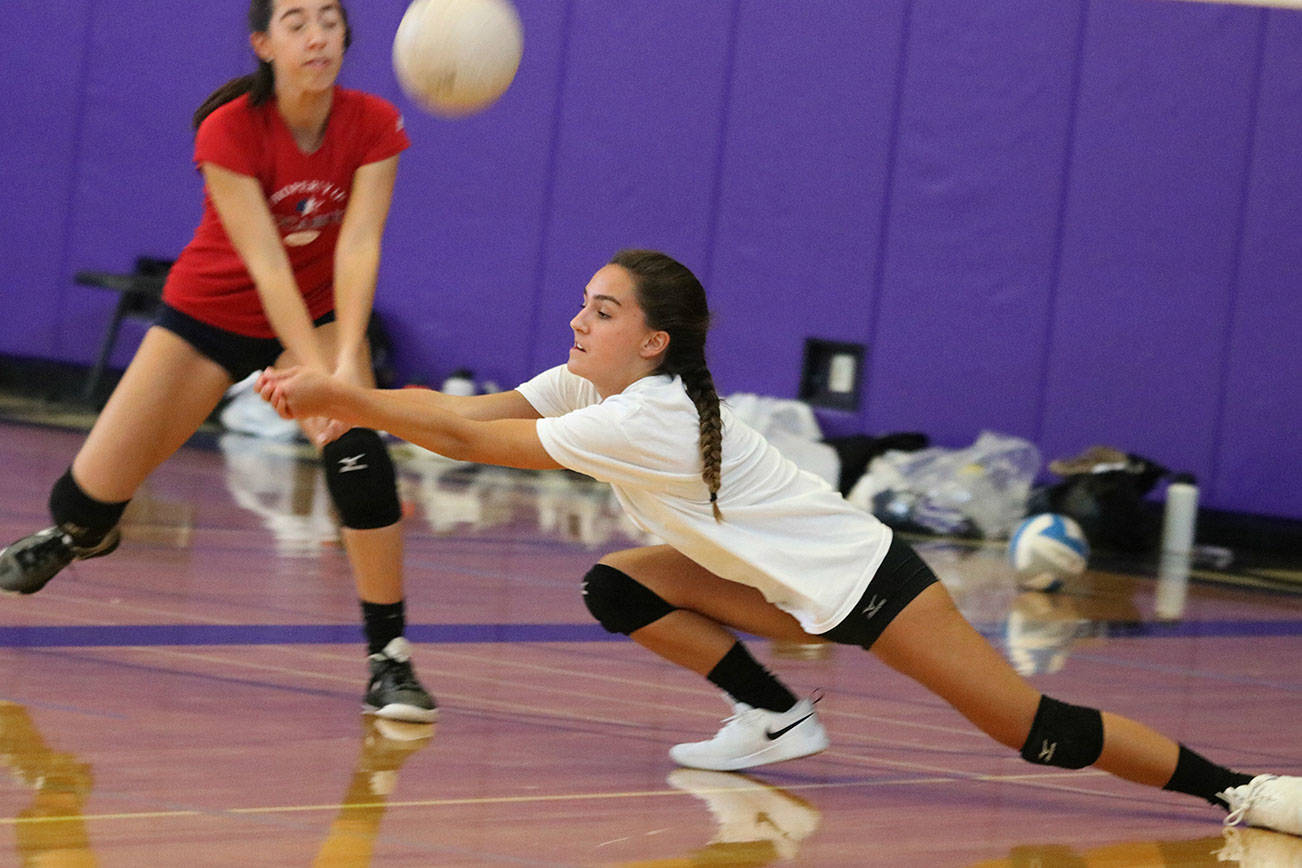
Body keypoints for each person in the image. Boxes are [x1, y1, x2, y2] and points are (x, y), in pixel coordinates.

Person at [255, 249, 1300, 837]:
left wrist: (341, 393)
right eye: (584, 303)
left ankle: (1237, 788)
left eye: (602, 310)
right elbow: (459, 410)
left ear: (653, 342)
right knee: (618, 586)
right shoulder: (592, 383)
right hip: (766, 587)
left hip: (868, 585)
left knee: (1035, 731)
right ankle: (775, 714)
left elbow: (451, 438)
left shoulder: (647, 413)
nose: (580, 321)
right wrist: (346, 401)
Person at [0, 0, 434, 723]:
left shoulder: (373, 123)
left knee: (358, 458)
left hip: (323, 316)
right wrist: (314, 368)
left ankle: (390, 660)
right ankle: (79, 535)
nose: (317, 35)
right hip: (213, 313)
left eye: (329, 18)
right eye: (295, 22)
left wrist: (343, 374)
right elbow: (267, 266)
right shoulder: (229, 128)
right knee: (84, 502)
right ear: (264, 43)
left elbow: (360, 244)